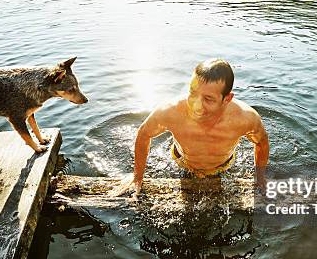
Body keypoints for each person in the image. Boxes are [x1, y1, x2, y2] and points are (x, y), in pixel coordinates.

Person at [114, 59, 269, 196]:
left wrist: (260, 178)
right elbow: (144, 133)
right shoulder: (170, 111)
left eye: (208, 99)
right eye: (193, 93)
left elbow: (261, 142)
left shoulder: (245, 118)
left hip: (223, 166)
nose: (197, 105)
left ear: (227, 99)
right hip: (183, 162)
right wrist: (137, 176)